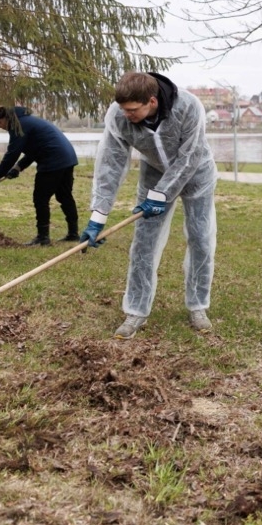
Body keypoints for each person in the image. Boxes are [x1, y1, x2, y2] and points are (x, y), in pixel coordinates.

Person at [81, 72, 218, 339]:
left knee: (201, 238)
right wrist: (98, 216)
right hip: (154, 174)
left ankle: (198, 306)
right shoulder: (118, 116)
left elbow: (190, 156)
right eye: (123, 109)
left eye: (133, 110)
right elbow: (110, 164)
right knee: (143, 243)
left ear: (152, 102)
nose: (127, 115)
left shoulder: (189, 107)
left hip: (196, 175)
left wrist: (162, 195)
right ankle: (136, 311)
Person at [0, 106, 79, 246]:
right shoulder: (27, 121)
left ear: (5, 118)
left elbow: (12, 154)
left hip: (53, 160)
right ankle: (73, 233)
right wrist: (17, 168)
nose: (0, 126)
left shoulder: (17, 125)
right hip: (67, 158)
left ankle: (43, 238)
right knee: (64, 196)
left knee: (40, 198)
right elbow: (36, 149)